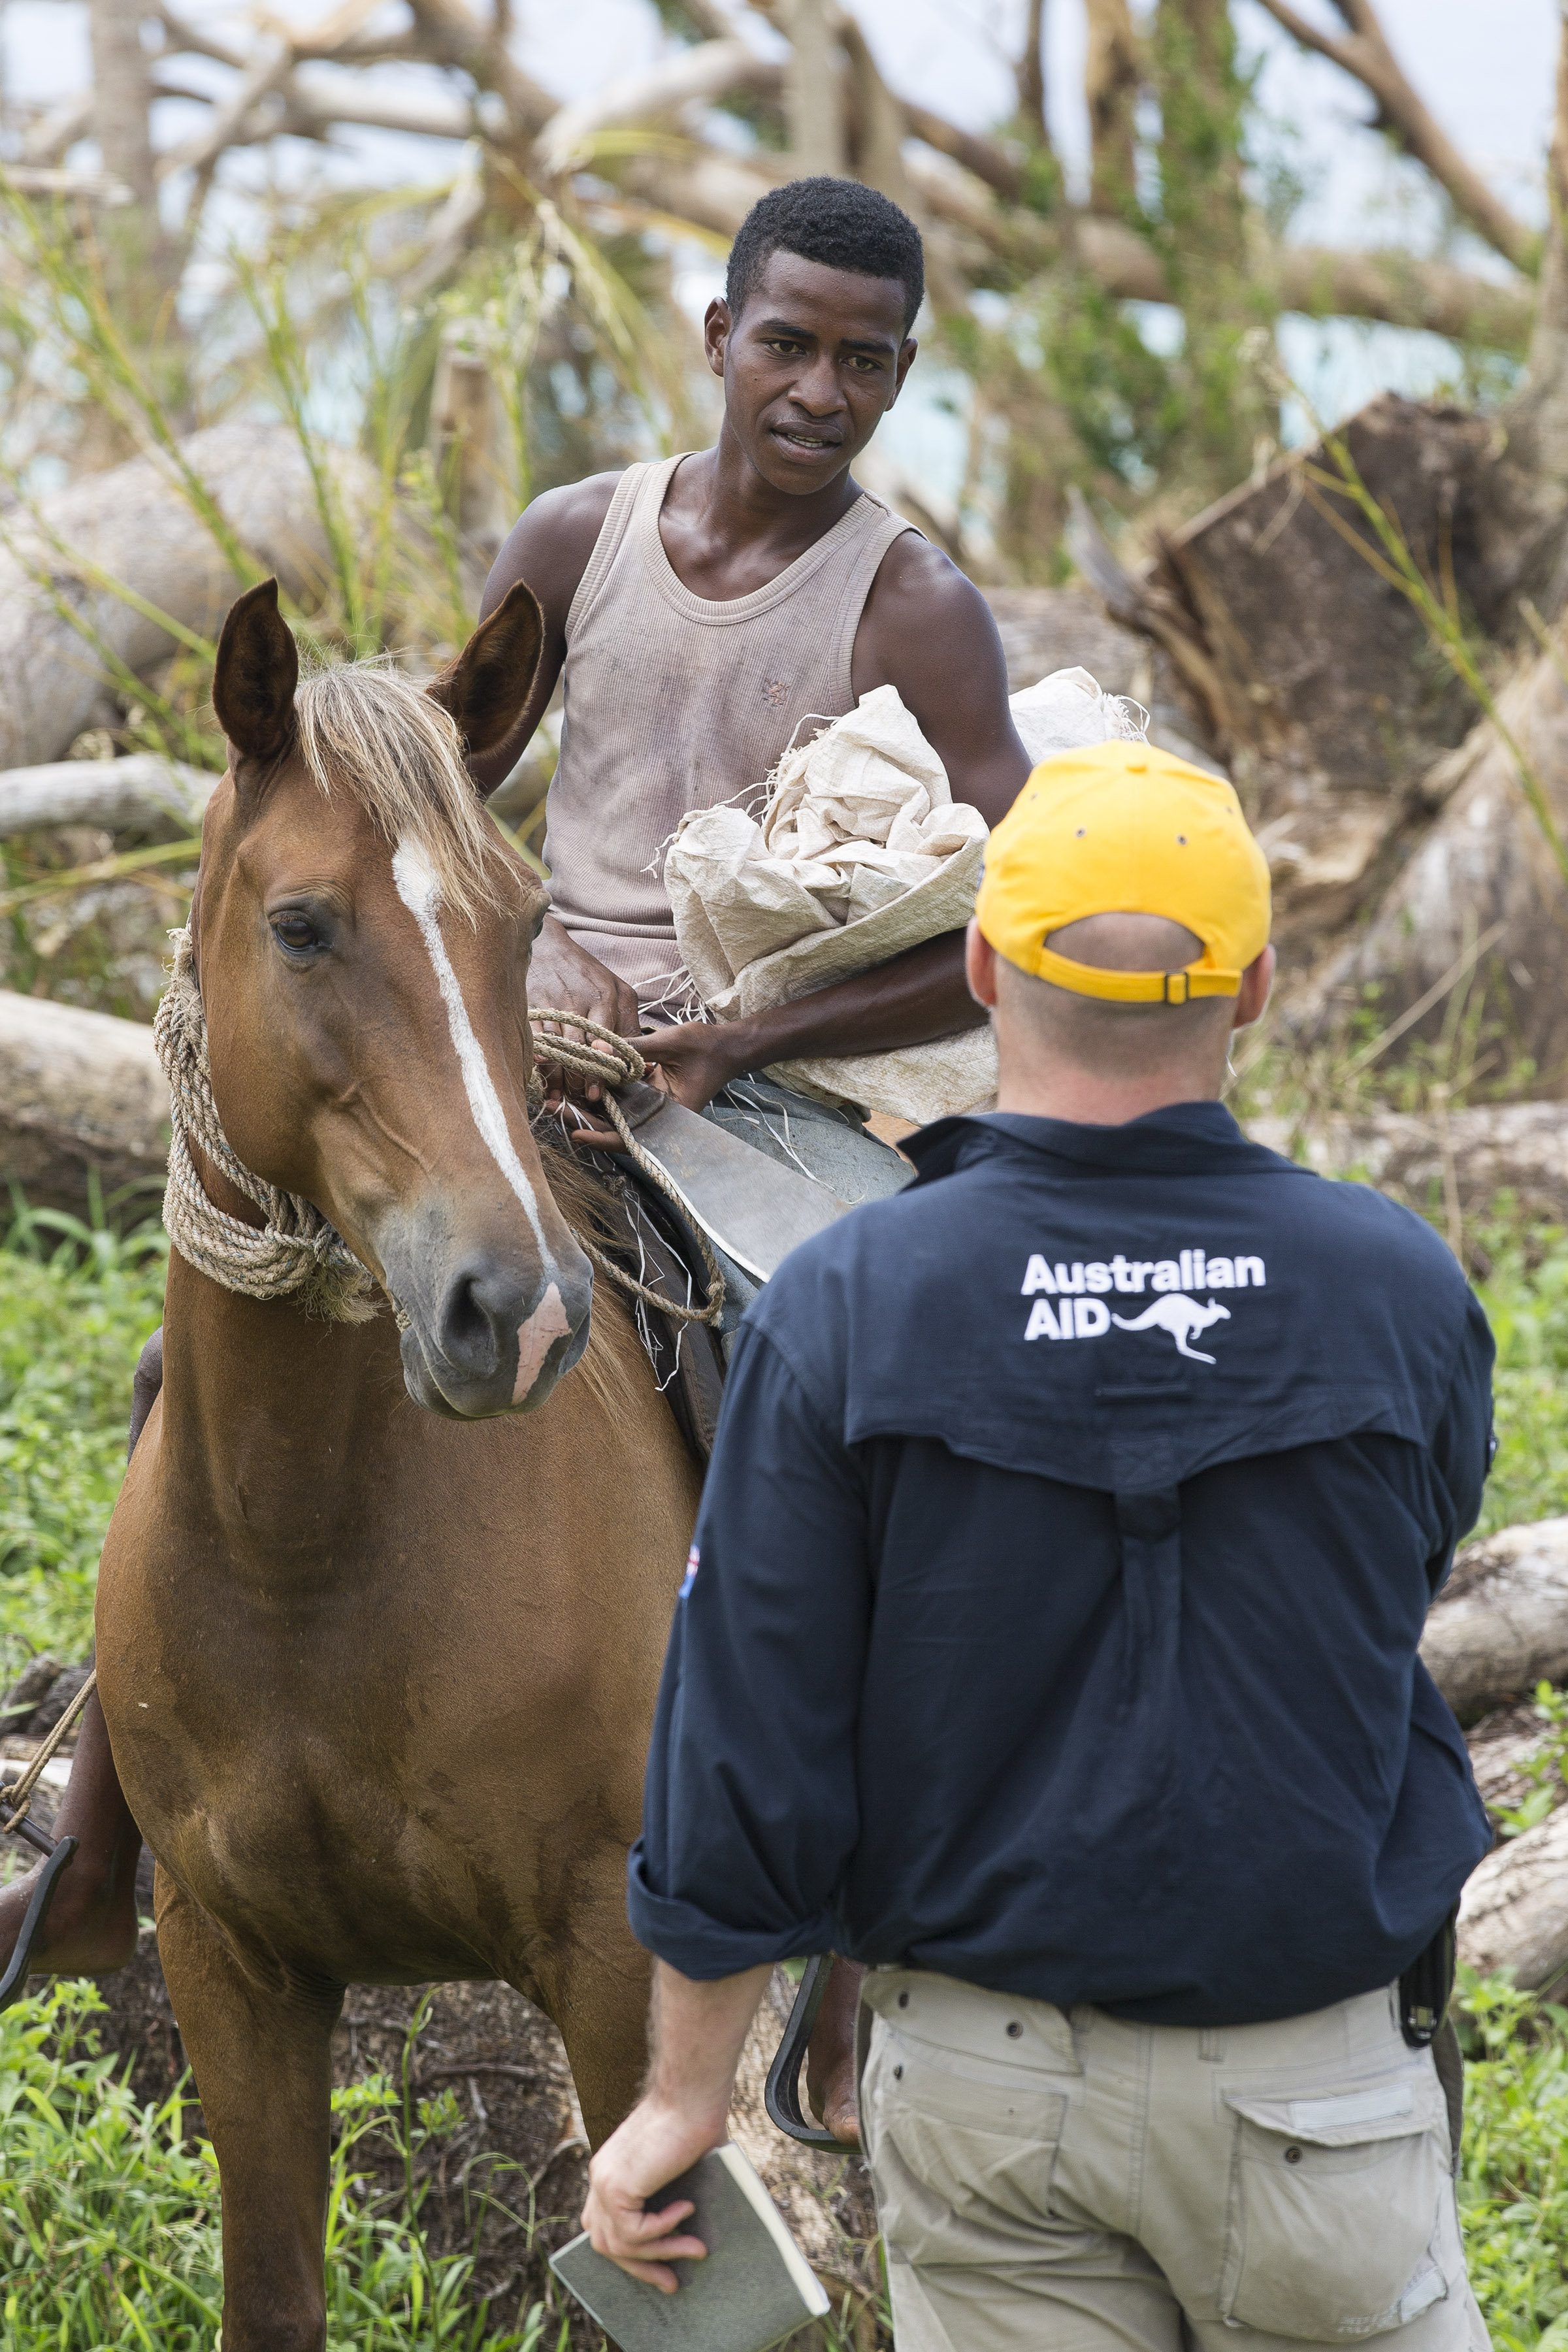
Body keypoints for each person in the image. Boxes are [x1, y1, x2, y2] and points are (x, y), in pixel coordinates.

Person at [0, 179, 1033, 2066]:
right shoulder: (580, 535)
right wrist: (477, 968)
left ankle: (866, 1875)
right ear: (719, 338)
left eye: (862, 360)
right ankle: (98, 1816)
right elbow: (434, 768)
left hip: (777, 1074)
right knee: (202, 1355)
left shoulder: (912, 601)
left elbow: (1010, 930)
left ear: (900, 376)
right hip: (513, 1022)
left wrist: (744, 1031)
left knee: (844, 1362)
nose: (817, 387)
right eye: (785, 342)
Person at [580, 738, 1497, 2350]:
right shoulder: (1397, 1285)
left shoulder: (849, 1305)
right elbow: (1396, 1573)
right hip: (1322, 2098)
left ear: (986, 968)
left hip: (994, 2110)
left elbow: (749, 1736)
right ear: (1260, 984)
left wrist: (681, 2096)